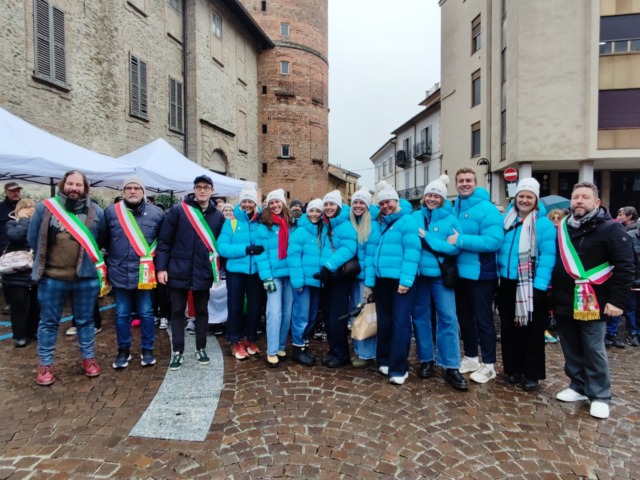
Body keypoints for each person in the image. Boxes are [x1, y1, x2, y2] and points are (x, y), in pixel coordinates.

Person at [552, 181, 634, 419]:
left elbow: (626, 267)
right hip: (565, 299)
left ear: (597, 202)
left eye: (585, 197)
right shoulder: (564, 228)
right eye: (575, 197)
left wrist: (617, 301)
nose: (579, 200)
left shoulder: (612, 229)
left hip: (595, 301)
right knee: (570, 346)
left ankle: (600, 395)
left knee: (593, 348)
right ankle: (578, 385)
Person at [28, 170, 107, 386]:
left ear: (85, 187)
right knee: (48, 322)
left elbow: (101, 240)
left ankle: (89, 358)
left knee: (86, 321)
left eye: (78, 185)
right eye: (70, 183)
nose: (74, 188)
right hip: (52, 277)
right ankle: (45, 365)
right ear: (63, 185)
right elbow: (33, 239)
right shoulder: (45, 208)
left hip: (85, 278)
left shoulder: (96, 211)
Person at [156, 175, 224, 370]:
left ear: (212, 190)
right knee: (177, 311)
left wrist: (218, 269)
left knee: (202, 311)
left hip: (202, 270)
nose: (202, 190)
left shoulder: (217, 216)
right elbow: (164, 241)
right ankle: (178, 351)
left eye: (206, 187)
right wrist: (162, 268)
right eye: (198, 187)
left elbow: (219, 245)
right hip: (178, 268)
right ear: (194, 189)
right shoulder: (178, 211)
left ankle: (200, 348)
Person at [497, 178, 556, 392]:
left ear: (536, 200)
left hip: (530, 284)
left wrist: (540, 285)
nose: (524, 200)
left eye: (529, 197)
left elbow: (548, 255)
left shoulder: (543, 224)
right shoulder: (506, 220)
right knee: (509, 328)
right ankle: (512, 369)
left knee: (532, 331)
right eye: (521, 196)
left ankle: (532, 373)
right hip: (506, 281)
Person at [411, 175, 468, 391]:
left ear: (443, 199)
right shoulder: (415, 217)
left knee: (448, 318)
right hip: (419, 276)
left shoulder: (451, 220)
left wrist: (428, 238)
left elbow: (454, 247)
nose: (432, 199)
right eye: (429, 195)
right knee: (420, 318)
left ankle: (451, 365)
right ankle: (426, 359)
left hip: (440, 276)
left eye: (436, 196)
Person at [448, 167, 503, 384]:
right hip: (460, 275)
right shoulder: (455, 207)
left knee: (483, 320)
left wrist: (461, 240)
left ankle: (489, 365)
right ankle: (471, 357)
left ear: (475, 183)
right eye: (460, 180)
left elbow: (493, 241)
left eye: (468, 180)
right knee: (465, 320)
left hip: (481, 275)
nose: (464, 183)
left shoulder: (487, 209)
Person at [105, 176, 164, 369]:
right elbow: (104, 240)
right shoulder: (111, 212)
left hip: (145, 274)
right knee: (122, 314)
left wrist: (161, 268)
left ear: (143, 191)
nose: (132, 191)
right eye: (128, 188)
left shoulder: (156, 213)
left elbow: (163, 244)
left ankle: (147, 350)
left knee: (146, 313)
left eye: (136, 188)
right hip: (119, 272)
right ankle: (123, 351)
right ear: (123, 192)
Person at [365, 182, 420, 385]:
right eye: (381, 203)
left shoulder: (407, 221)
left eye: (388, 202)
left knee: (400, 323)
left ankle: (399, 368)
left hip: (400, 281)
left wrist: (406, 280)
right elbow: (372, 254)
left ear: (396, 202)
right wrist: (370, 283)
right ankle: (384, 360)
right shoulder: (380, 223)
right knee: (385, 321)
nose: (385, 206)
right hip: (382, 280)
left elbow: (412, 252)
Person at [218, 183, 264, 360]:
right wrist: (246, 249)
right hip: (236, 271)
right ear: (240, 203)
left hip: (256, 271)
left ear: (255, 203)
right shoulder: (231, 222)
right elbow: (222, 248)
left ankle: (249, 338)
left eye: (250, 201)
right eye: (244, 201)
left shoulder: (261, 222)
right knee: (235, 306)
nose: (247, 204)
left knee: (254, 307)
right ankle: (235, 340)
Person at [315, 190, 357, 368]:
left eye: (332, 204)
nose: (328, 207)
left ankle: (341, 353)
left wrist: (329, 265)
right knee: (328, 316)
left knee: (337, 317)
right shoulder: (326, 225)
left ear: (339, 206)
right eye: (326, 204)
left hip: (338, 276)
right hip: (327, 277)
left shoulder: (345, 226)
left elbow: (349, 248)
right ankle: (333, 350)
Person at [256, 189, 294, 367]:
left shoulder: (291, 224)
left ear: (283, 203)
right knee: (274, 313)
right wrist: (267, 277)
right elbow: (261, 254)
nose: (275, 205)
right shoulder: (264, 226)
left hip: (290, 275)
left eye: (277, 202)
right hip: (274, 276)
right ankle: (271, 350)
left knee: (287, 313)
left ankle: (280, 346)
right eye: (271, 203)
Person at [287, 198, 324, 366]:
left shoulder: (322, 230)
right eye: (311, 211)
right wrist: (298, 281)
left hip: (317, 280)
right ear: (306, 212)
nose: (314, 214)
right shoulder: (300, 232)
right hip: (303, 282)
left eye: (317, 211)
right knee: (301, 315)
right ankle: (298, 347)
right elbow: (293, 257)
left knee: (312, 314)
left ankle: (304, 343)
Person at [2, 198, 39, 347]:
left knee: (36, 303)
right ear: (19, 209)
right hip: (16, 273)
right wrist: (24, 220)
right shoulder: (12, 223)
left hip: (34, 271)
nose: (31, 209)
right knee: (19, 304)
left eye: (33, 207)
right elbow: (15, 235)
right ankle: (20, 335)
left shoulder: (38, 224)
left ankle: (33, 330)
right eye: (27, 207)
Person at [348, 186, 377, 368]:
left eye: (361, 203)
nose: (358, 205)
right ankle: (359, 350)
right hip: (354, 276)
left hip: (365, 279)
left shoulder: (372, 225)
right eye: (355, 202)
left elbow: (372, 257)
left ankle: (367, 354)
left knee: (366, 315)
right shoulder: (353, 222)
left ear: (368, 205)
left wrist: (369, 283)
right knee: (357, 314)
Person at [1, 182, 23, 315]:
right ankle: (10, 302)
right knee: (7, 276)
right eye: (12, 191)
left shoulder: (25, 206)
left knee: (23, 276)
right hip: (5, 248)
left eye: (18, 191)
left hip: (23, 248)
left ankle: (24, 301)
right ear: (6, 192)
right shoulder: (1, 208)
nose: (16, 193)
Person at [624, 223, 640, 346]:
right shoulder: (630, 236)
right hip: (633, 280)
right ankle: (633, 333)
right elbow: (628, 260)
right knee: (631, 308)